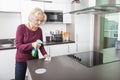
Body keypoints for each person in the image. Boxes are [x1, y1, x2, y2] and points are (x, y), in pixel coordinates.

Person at [15, 7, 51, 80]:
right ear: (32, 18)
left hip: (34, 59)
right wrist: (32, 45)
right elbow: (19, 46)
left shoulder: (39, 30)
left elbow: (41, 46)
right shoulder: (21, 28)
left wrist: (45, 54)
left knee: (35, 78)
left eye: (41, 21)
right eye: (37, 20)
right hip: (21, 59)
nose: (39, 23)